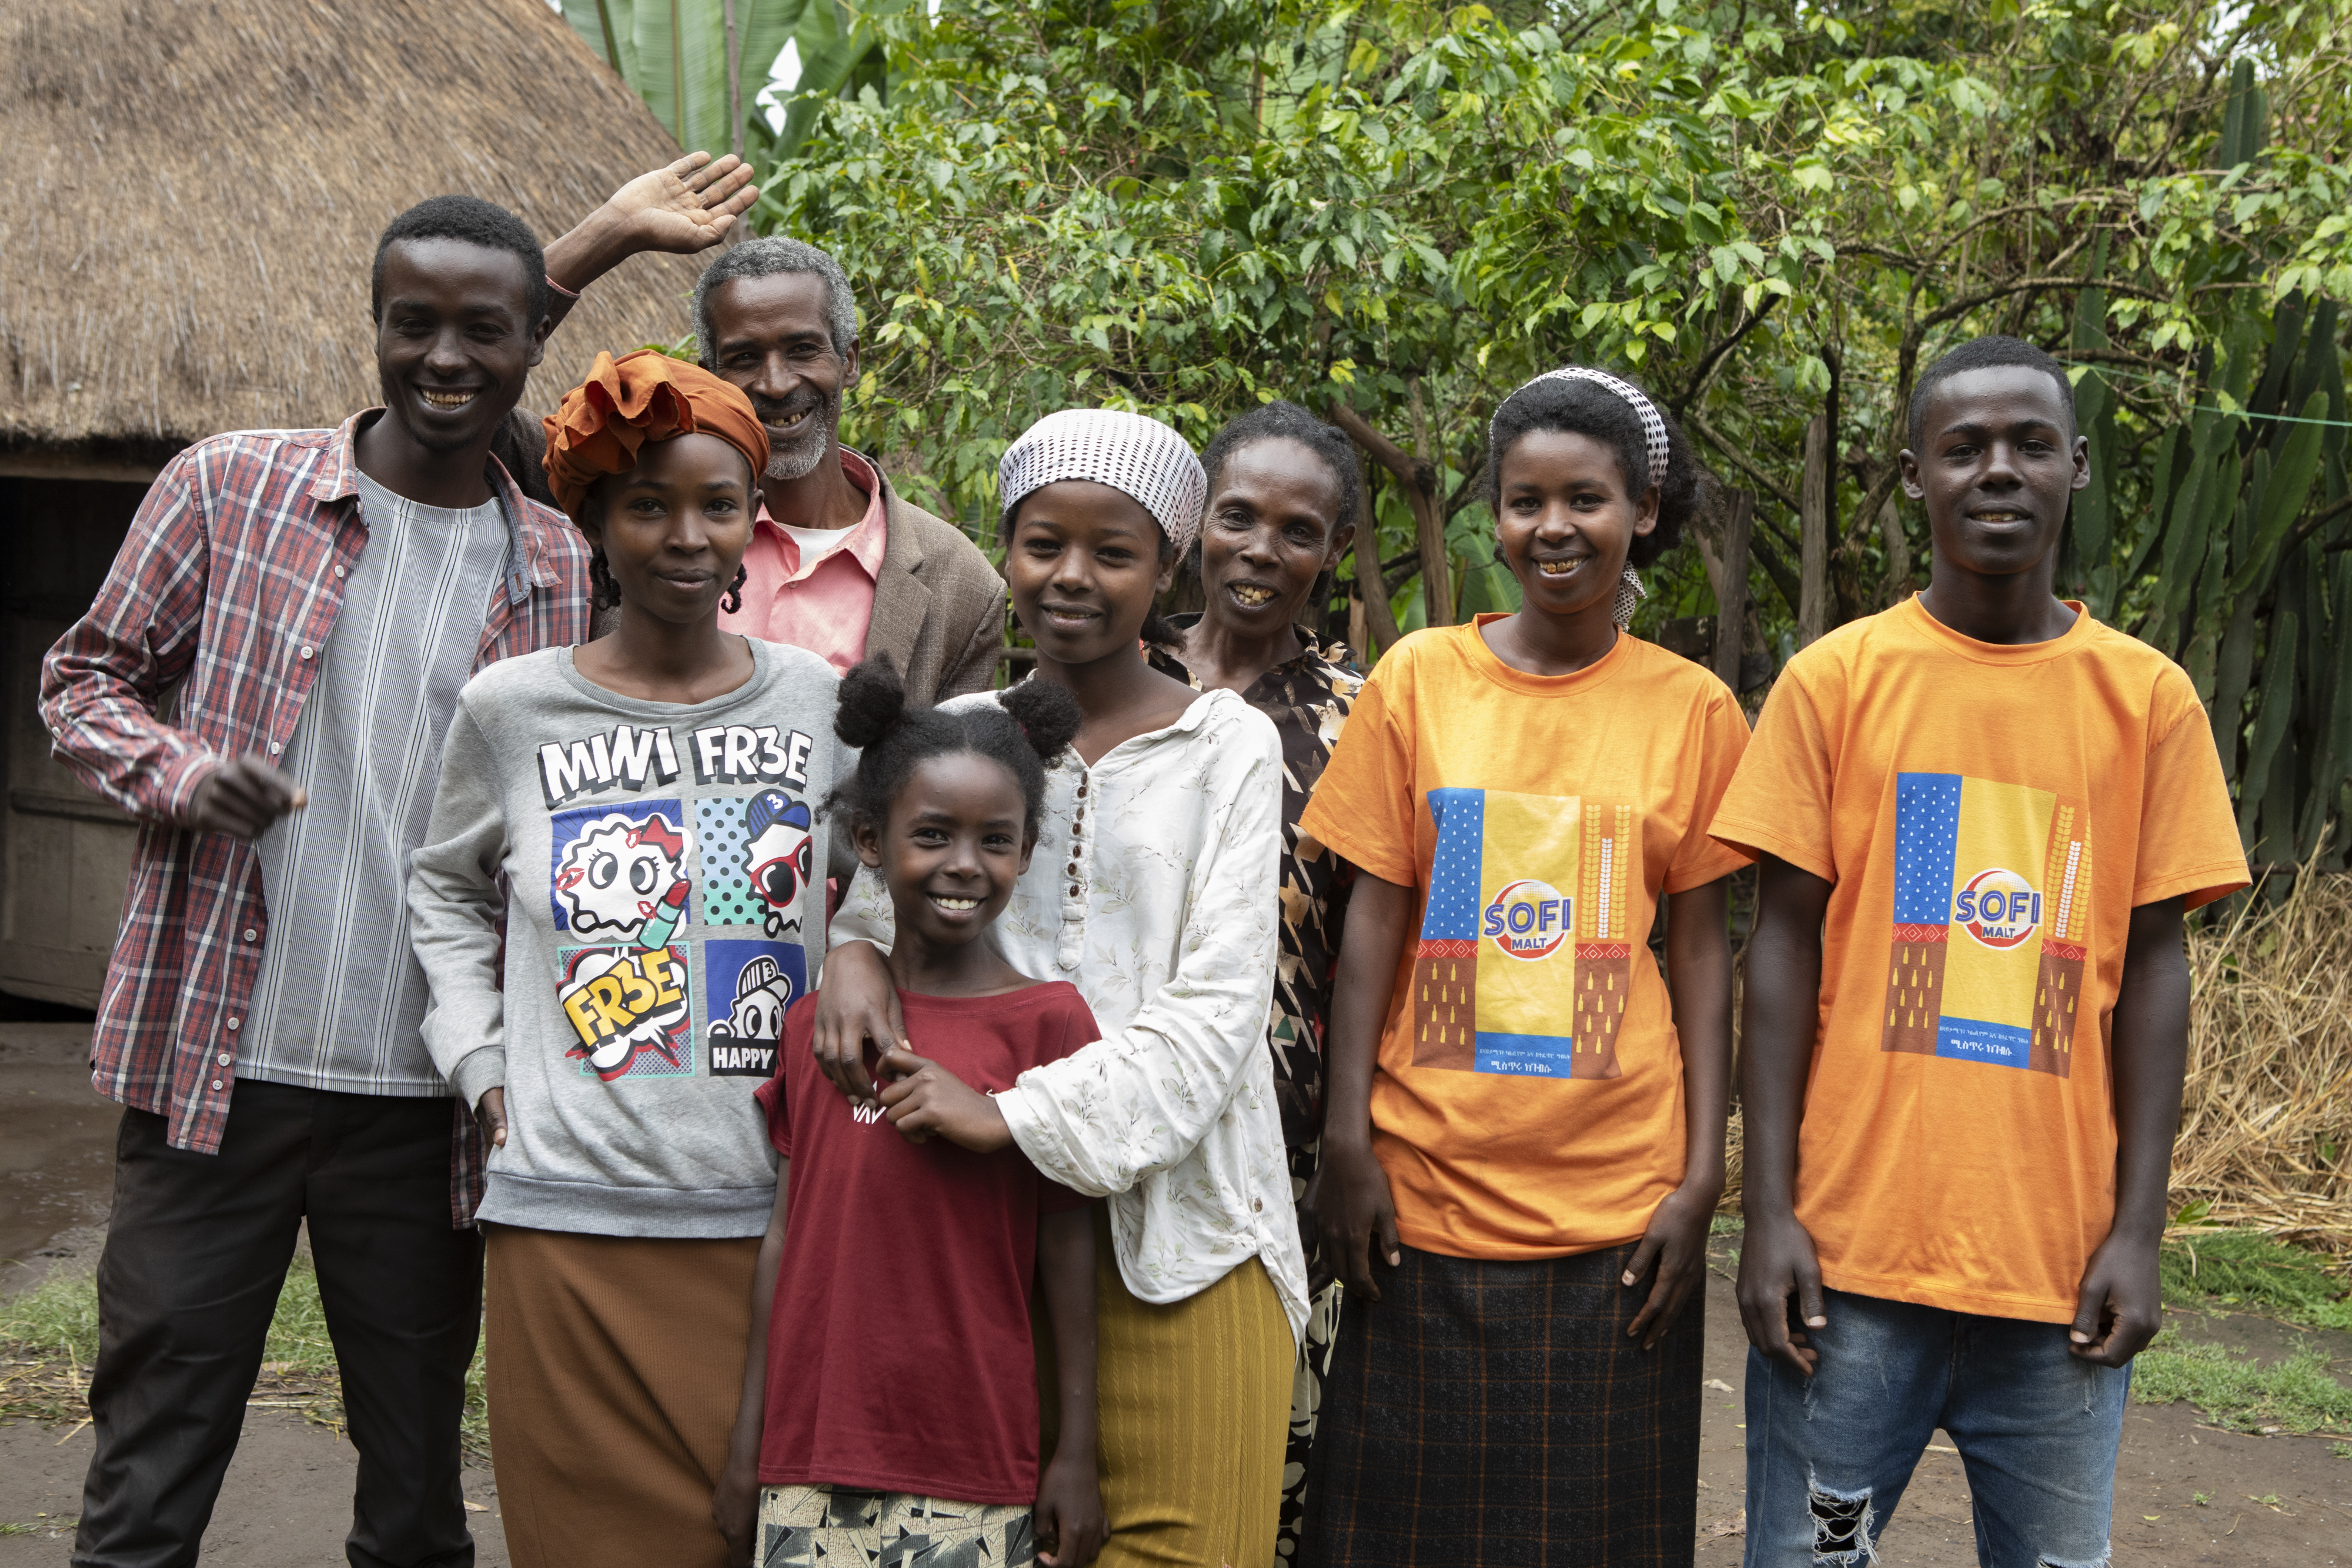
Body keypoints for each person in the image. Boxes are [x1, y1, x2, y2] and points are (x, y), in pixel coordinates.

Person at [39, 195, 586, 1568]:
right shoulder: (229, 486)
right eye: (415, 324)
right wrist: (181, 772)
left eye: (483, 330)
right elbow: (83, 679)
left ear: (532, 347)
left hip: (425, 1094)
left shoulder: (567, 568)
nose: (444, 357)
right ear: (376, 325)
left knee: (412, 1475)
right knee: (153, 1442)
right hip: (218, 1066)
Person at [1712, 336, 2249, 1568]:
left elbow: (2153, 965)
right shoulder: (1834, 683)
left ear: (2075, 467)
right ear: (1914, 476)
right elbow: (1776, 947)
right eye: (1962, 449)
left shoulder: (2145, 698)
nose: (1995, 470)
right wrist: (1770, 1209)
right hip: (1842, 1278)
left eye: (2025, 444)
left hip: (2055, 1287)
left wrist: (2138, 1228)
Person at [814, 409, 1307, 1568]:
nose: (1071, 576)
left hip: (1190, 1238)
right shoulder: (961, 735)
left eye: (1113, 550)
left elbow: (1216, 1013)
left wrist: (1016, 1114)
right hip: (984, 1252)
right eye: (1042, 543)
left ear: (1167, 567)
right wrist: (846, 951)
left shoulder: (1223, 744)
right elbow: (877, 911)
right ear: (1007, 548)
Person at [406, 350, 855, 1568]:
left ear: (753, 523)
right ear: (594, 523)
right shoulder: (511, 708)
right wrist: (482, 1063)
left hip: (773, 1220)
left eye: (717, 505)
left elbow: (880, 883)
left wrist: (856, 966)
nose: (685, 536)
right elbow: (442, 884)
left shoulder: (818, 702)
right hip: (568, 1224)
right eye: (647, 504)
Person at [1301, 367, 1748, 1566]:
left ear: (1641, 510)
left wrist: (1701, 1172)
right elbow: (1371, 927)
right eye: (1522, 499)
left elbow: (1702, 952)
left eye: (1585, 499)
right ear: (1490, 515)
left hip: (1617, 1209)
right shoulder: (1418, 680)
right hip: (1421, 1196)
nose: (1552, 527)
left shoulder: (1692, 709)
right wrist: (1349, 1142)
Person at [712, 658, 1107, 1568]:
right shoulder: (817, 1027)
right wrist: (749, 1447)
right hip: (811, 1456)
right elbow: (787, 1236)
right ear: (871, 840)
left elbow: (1068, 1247)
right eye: (933, 833)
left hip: (976, 1463)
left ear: (1027, 849)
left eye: (996, 839)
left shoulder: (1051, 1023)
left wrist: (1074, 1454)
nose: (965, 865)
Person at [1141, 400, 1364, 1560]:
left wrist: (1347, 1140)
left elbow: (1374, 943)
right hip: (1104, 1113)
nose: (1259, 550)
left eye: (1296, 529)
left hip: (1275, 1139)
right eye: (1236, 516)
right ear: (1194, 525)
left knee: (1263, 1455)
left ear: (1329, 553)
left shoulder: (1358, 717)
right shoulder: (1103, 671)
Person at [539, 157, 1006, 701]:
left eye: (803, 349)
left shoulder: (960, 584)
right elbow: (477, 382)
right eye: (744, 357)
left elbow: (955, 772)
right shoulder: (628, 491)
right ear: (710, 374)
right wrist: (614, 230)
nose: (777, 383)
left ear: (850, 361)